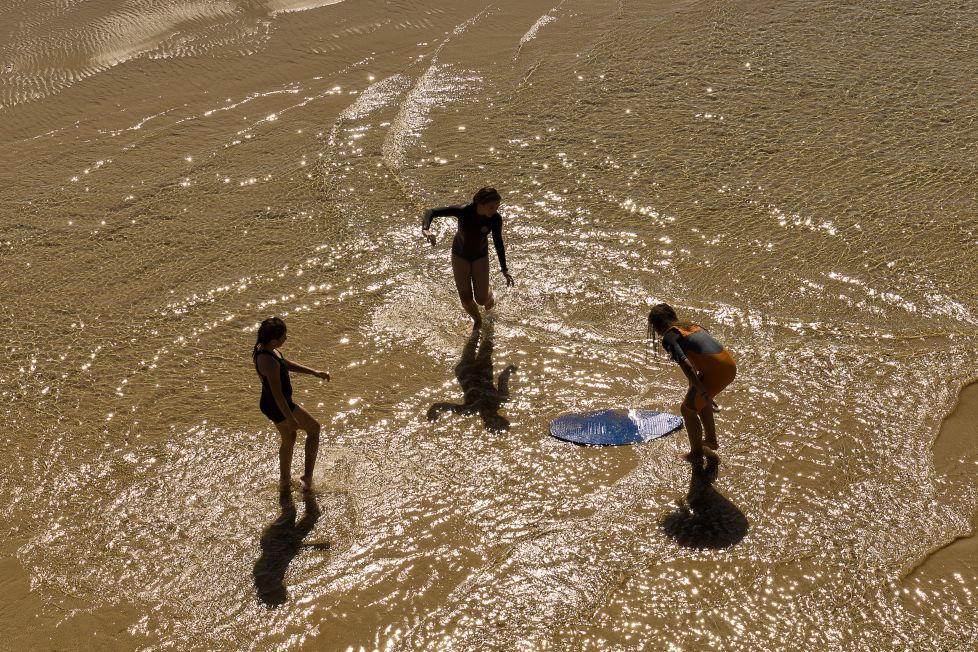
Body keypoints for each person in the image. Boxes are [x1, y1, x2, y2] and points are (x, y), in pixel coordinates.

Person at [647, 303, 736, 462]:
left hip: (716, 371)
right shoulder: (690, 326)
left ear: (656, 326)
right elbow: (699, 358)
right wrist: (699, 391)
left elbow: (687, 366)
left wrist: (702, 391)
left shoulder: (669, 336)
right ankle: (711, 440)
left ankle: (696, 454)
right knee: (696, 401)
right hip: (728, 365)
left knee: (687, 409)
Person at [252, 317, 330, 491]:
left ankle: (284, 482)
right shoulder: (268, 361)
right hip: (277, 405)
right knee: (314, 429)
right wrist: (291, 418)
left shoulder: (268, 350)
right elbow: (278, 395)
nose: (286, 339)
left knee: (289, 439)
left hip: (272, 403)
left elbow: (285, 364)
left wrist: (313, 372)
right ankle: (307, 477)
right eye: (283, 337)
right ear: (273, 340)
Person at [422, 186, 514, 329]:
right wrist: (426, 229)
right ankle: (477, 320)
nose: (495, 211)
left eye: (497, 207)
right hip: (460, 255)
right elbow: (431, 211)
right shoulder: (464, 211)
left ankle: (487, 291)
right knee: (465, 298)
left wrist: (504, 269)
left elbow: (498, 242)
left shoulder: (495, 219)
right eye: (491, 207)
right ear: (480, 204)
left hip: (480, 256)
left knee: (482, 299)